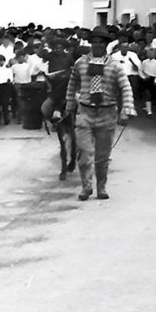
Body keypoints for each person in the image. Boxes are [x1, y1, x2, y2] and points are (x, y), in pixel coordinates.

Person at [65, 25, 136, 201]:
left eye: (100, 43)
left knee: (102, 156)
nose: (97, 46)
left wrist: (126, 110)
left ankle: (101, 187)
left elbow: (126, 87)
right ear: (90, 44)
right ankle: (86, 186)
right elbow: (72, 82)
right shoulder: (80, 63)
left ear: (105, 44)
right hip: (85, 112)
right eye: (94, 42)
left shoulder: (115, 66)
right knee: (84, 153)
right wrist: (69, 104)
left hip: (107, 113)